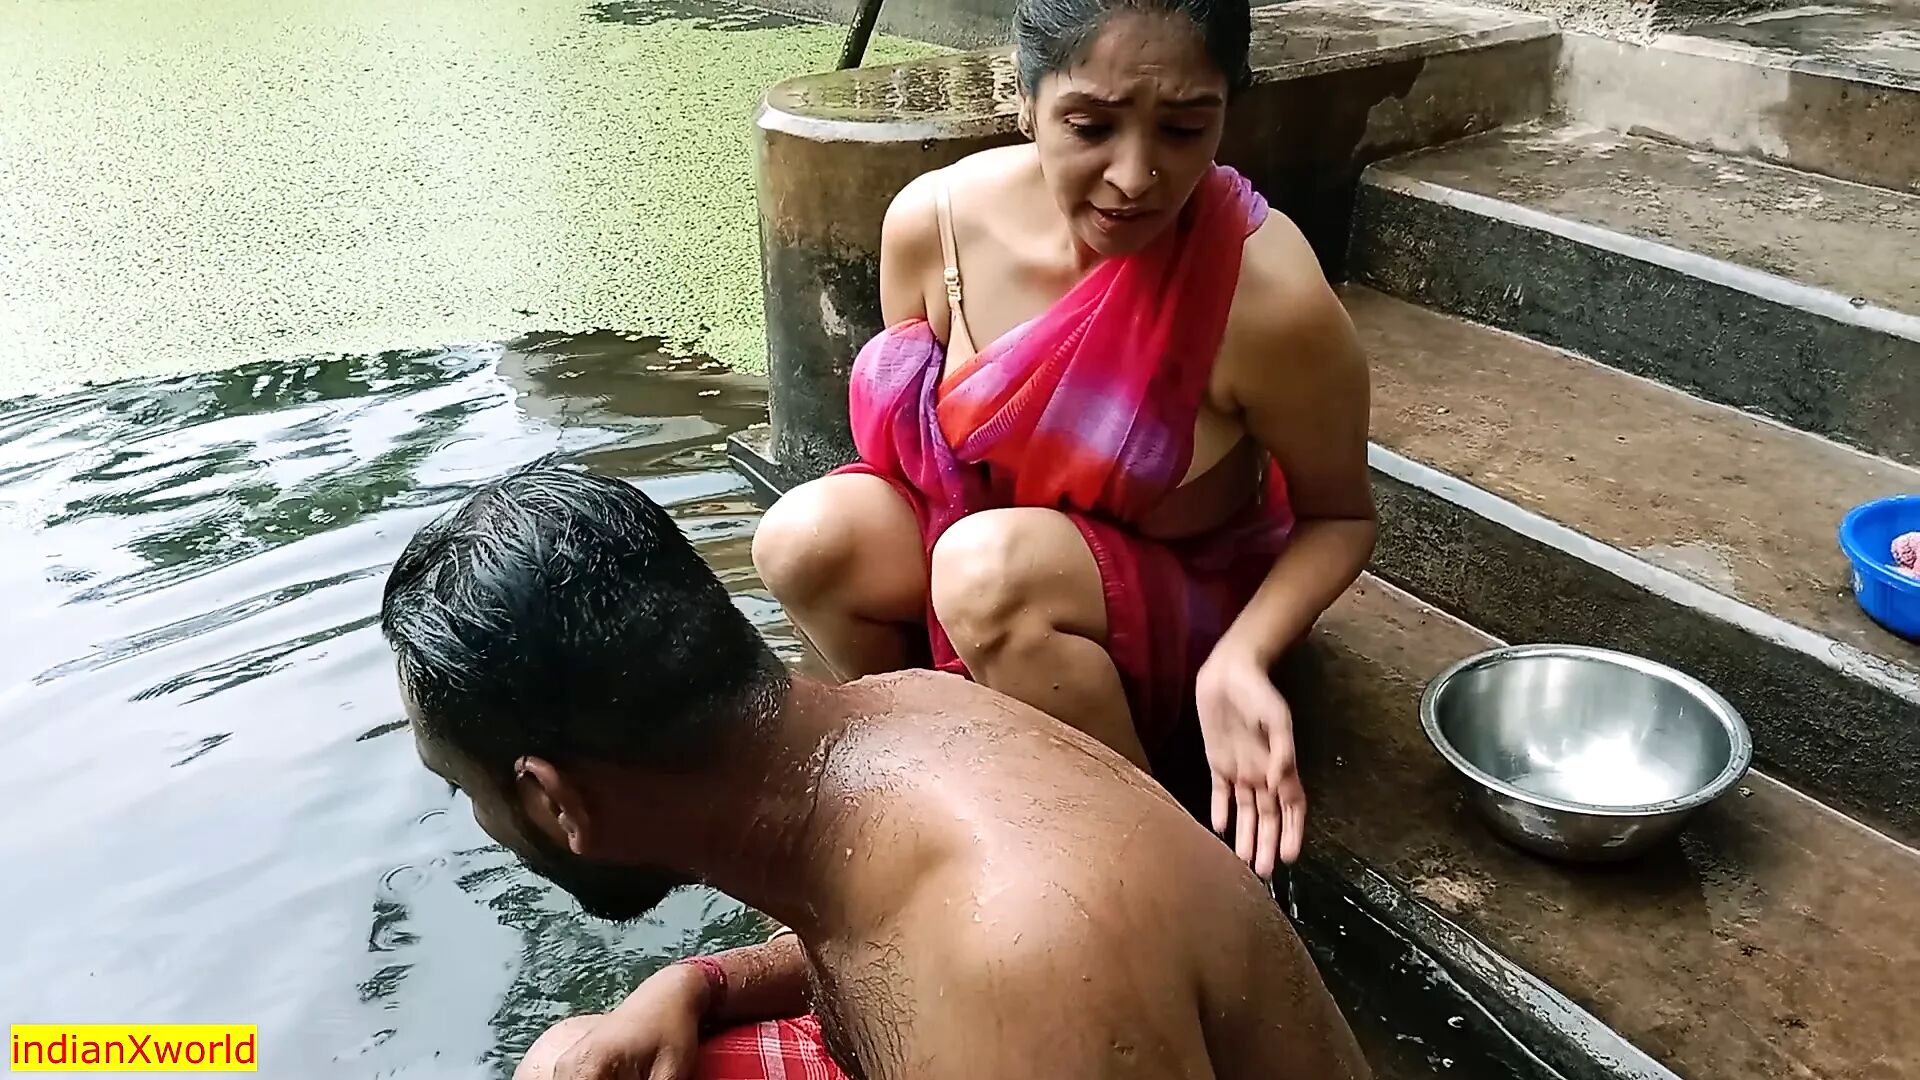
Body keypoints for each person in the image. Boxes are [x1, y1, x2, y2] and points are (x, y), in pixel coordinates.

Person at [380, 461, 1371, 1080]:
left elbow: (965, 978)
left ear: (552, 801)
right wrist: (694, 986)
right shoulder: (900, 722)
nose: (477, 821)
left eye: (467, 790)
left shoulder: (1016, 977)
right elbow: (872, 954)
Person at [751, 0, 1375, 878]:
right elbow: (926, 469)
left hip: (1166, 608)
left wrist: (1243, 657)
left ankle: (1153, 864)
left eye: (1184, 129)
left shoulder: (1266, 295)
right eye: (1090, 126)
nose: (1134, 176)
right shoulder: (935, 226)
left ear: (1228, 112)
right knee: (803, 538)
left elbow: (1340, 517)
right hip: (982, 570)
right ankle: (933, 774)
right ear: (1025, 96)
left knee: (985, 572)